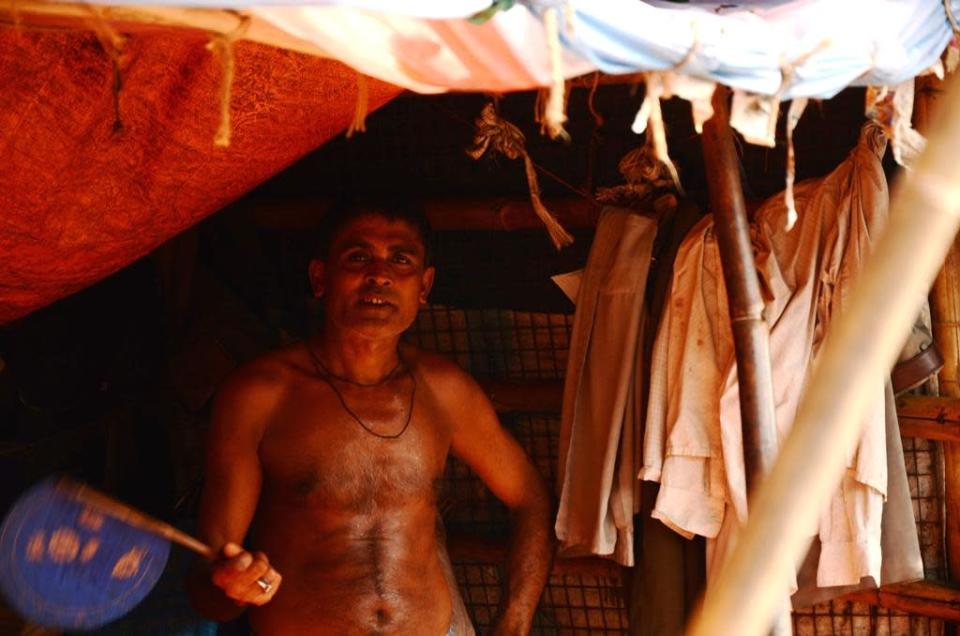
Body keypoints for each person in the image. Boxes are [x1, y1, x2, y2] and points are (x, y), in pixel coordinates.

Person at [187, 200, 554, 635]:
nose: (379, 274)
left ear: (424, 286)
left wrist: (513, 622)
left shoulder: (445, 390)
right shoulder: (261, 394)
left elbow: (529, 497)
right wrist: (232, 585)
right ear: (320, 277)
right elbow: (210, 584)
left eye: (401, 259)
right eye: (358, 257)